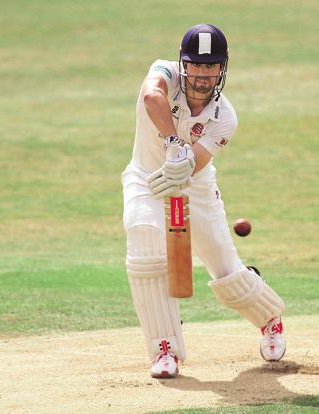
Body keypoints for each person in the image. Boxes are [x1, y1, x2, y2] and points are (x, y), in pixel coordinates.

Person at [121, 23, 286, 379]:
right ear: (183, 63)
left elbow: (196, 161)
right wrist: (172, 144)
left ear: (222, 69)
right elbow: (151, 96)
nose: (203, 74)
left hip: (194, 186)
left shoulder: (224, 116)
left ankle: (270, 317)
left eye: (211, 67)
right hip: (146, 177)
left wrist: (184, 163)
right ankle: (165, 349)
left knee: (225, 272)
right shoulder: (163, 71)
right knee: (144, 246)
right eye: (196, 65)